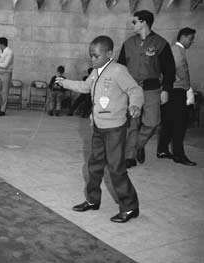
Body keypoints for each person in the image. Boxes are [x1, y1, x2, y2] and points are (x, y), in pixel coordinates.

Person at [56, 35, 144, 223]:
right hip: (98, 128)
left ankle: (130, 207)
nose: (93, 59)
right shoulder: (95, 72)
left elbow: (135, 90)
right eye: (91, 56)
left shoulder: (119, 71)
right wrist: (63, 82)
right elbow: (84, 87)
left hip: (114, 129)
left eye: (96, 56)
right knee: (94, 166)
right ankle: (92, 200)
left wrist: (135, 105)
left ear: (109, 54)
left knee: (116, 168)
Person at [118, 10, 176, 168]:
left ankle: (138, 145)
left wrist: (166, 89)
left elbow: (169, 69)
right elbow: (120, 68)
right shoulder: (128, 43)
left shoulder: (160, 43)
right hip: (131, 89)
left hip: (152, 89)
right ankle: (129, 156)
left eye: (134, 22)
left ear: (143, 22)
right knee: (133, 122)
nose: (132, 25)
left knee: (152, 122)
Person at [157, 27, 197, 166]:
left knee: (168, 122)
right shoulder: (175, 50)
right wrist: (180, 82)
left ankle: (162, 150)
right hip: (176, 91)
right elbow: (167, 70)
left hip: (173, 91)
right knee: (180, 124)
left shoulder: (176, 50)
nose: (192, 42)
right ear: (184, 37)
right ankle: (179, 155)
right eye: (191, 38)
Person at [0, 37, 14, 116]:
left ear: (2, 44)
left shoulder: (9, 52)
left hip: (6, 73)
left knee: (4, 93)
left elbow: (5, 65)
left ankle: (3, 110)